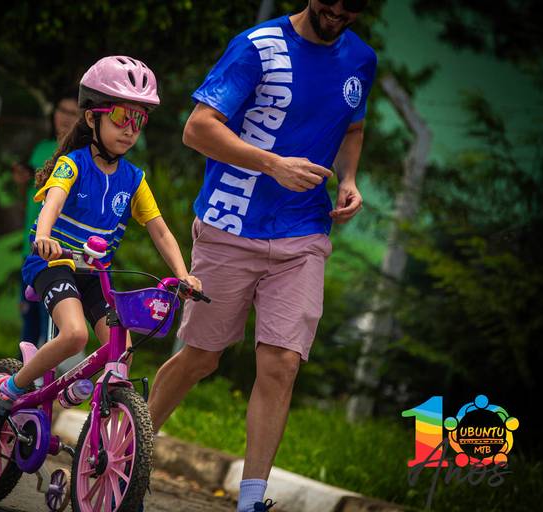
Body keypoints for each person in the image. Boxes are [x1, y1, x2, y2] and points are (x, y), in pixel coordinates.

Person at [145, 1, 376, 510]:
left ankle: (251, 499)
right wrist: (272, 164)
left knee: (282, 363)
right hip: (231, 223)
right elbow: (197, 128)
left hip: (303, 232)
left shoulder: (361, 58)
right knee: (201, 358)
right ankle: (130, 447)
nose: (339, 10)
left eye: (354, 5)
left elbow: (352, 127)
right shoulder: (258, 47)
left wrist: (350, 179)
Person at [0, 55, 202, 441]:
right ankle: (7, 392)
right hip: (53, 265)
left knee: (122, 349)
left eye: (139, 120)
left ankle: (90, 416)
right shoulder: (72, 164)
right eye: (121, 117)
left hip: (95, 274)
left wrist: (183, 275)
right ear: (93, 118)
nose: (130, 130)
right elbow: (52, 203)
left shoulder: (134, 179)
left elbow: (160, 231)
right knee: (75, 335)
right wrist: (44, 237)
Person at [11, 90, 79, 348]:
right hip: (32, 246)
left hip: (59, 251)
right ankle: (23, 370)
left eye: (72, 113)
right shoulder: (42, 148)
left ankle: (45, 370)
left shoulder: (79, 154)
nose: (65, 118)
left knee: (51, 325)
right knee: (28, 321)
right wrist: (23, 178)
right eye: (62, 111)